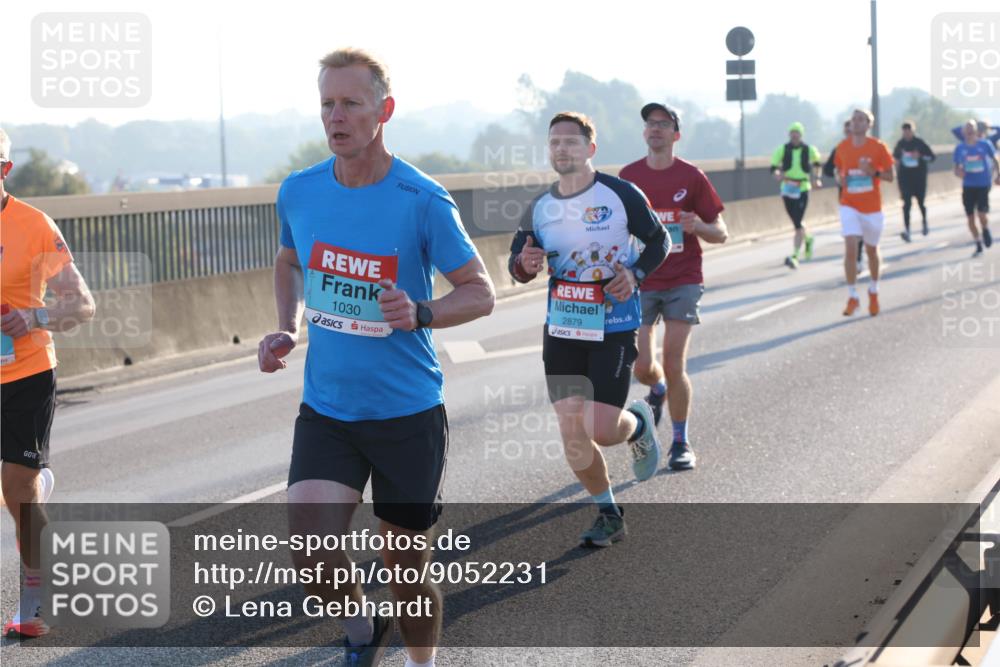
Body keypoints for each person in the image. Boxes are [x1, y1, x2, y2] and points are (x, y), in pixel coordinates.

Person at [257, 48, 495, 667]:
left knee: (407, 572)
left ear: (383, 111)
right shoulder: (300, 191)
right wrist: (287, 326)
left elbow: (480, 292)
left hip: (406, 414)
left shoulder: (421, 197)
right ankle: (361, 632)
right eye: (327, 105)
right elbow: (289, 260)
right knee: (312, 554)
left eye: (350, 104)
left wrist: (421, 311)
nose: (335, 117)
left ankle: (422, 661)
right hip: (329, 409)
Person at [508, 111, 669, 547]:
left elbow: (660, 241)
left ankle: (636, 424)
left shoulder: (620, 195)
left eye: (571, 142)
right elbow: (517, 264)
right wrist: (524, 266)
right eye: (555, 142)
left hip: (613, 325)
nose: (562, 149)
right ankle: (608, 512)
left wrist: (634, 273)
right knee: (571, 432)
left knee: (599, 427)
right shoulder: (539, 206)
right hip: (563, 327)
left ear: (590, 149)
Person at [1, 128, 96, 638]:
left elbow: (82, 303)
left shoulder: (33, 226)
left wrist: (32, 319)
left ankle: (34, 603)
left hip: (26, 373)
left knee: (17, 486)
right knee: (16, 491)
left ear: (5, 170)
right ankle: (34, 487)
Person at [619, 103, 727, 471]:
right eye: (650, 123)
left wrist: (697, 225)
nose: (655, 129)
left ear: (676, 134)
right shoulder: (628, 177)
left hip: (683, 279)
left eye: (663, 124)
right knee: (643, 367)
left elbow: (721, 233)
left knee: (673, 360)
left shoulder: (691, 177)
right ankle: (658, 389)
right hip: (643, 279)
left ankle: (680, 442)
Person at [834, 109, 895, 317]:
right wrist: (841, 179)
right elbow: (839, 171)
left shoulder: (878, 147)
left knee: (871, 251)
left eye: (862, 120)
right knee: (850, 246)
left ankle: (873, 290)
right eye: (854, 120)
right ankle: (852, 296)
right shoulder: (842, 148)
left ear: (869, 124)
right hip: (849, 203)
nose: (857, 123)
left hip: (872, 208)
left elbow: (890, 176)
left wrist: (873, 172)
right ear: (850, 125)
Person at [770, 121, 822, 268]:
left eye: (797, 132)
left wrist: (817, 179)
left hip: (803, 187)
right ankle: (808, 238)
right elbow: (773, 167)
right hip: (787, 188)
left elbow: (817, 164)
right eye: (792, 132)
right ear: (789, 134)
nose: (794, 135)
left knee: (798, 223)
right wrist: (777, 174)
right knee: (796, 221)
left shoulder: (809, 149)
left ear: (801, 134)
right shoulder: (783, 149)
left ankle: (794, 255)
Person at [953, 120, 1000, 257]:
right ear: (963, 132)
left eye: (972, 129)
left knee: (981, 214)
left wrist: (998, 175)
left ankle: (985, 228)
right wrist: (958, 173)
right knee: (970, 218)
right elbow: (956, 168)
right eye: (967, 129)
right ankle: (978, 242)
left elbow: (995, 160)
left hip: (983, 183)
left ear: (976, 131)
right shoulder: (960, 148)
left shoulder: (985, 144)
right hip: (968, 185)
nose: (969, 132)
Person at [826, 120, 865, 272]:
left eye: (851, 131)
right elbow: (827, 169)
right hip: (846, 196)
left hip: (864, 194)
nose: (849, 134)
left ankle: (859, 257)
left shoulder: (865, 147)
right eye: (847, 132)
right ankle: (855, 260)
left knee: (860, 230)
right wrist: (837, 172)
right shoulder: (839, 149)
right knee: (851, 230)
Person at [892, 121, 935, 241]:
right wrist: (897, 162)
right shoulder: (900, 144)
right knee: (906, 205)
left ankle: (925, 223)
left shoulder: (919, 143)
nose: (906, 133)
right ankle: (907, 230)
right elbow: (894, 159)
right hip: (905, 179)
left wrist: (920, 156)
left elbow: (932, 157)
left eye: (909, 131)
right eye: (904, 131)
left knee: (921, 203)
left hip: (919, 178)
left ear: (913, 130)